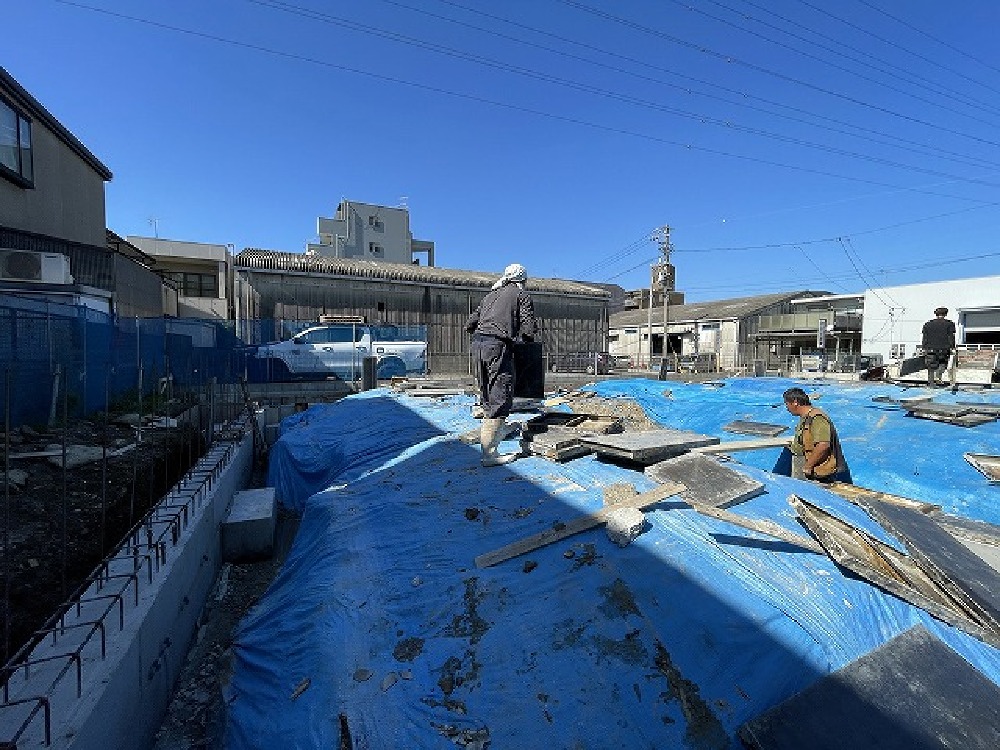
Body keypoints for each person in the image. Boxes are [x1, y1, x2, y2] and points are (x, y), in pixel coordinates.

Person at [466, 263, 539, 466]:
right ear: (522, 280)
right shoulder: (521, 295)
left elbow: (470, 324)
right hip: (497, 346)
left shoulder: (490, 295)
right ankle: (489, 454)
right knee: (501, 393)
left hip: (478, 345)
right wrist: (525, 344)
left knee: (488, 394)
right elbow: (528, 327)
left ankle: (497, 431)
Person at [783, 387, 851, 483]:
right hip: (807, 465)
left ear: (795, 402)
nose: (787, 408)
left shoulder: (817, 418)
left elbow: (823, 445)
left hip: (817, 473)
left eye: (787, 404)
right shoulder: (806, 417)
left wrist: (808, 466)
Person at [921, 307, 956, 387]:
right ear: (945, 314)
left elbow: (924, 338)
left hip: (930, 349)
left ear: (936, 314)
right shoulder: (950, 324)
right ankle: (938, 377)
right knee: (942, 364)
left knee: (931, 367)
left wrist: (923, 348)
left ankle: (931, 384)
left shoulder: (927, 324)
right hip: (944, 349)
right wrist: (952, 347)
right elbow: (951, 337)